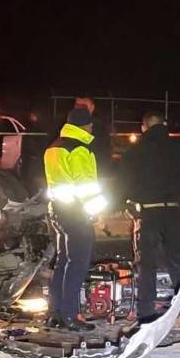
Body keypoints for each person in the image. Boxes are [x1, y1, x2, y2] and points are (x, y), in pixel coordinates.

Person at [123, 111, 180, 330]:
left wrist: (126, 203)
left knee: (147, 264)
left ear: (144, 127)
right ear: (164, 125)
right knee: (177, 261)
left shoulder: (135, 150)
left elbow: (123, 180)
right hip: (173, 212)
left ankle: (146, 315)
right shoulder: (178, 147)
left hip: (148, 212)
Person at [44, 107, 107, 332]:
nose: (92, 128)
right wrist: (97, 212)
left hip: (57, 210)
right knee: (77, 264)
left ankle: (55, 313)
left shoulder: (54, 147)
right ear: (86, 126)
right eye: (91, 124)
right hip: (77, 213)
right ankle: (71, 315)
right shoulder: (80, 149)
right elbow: (86, 186)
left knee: (62, 262)